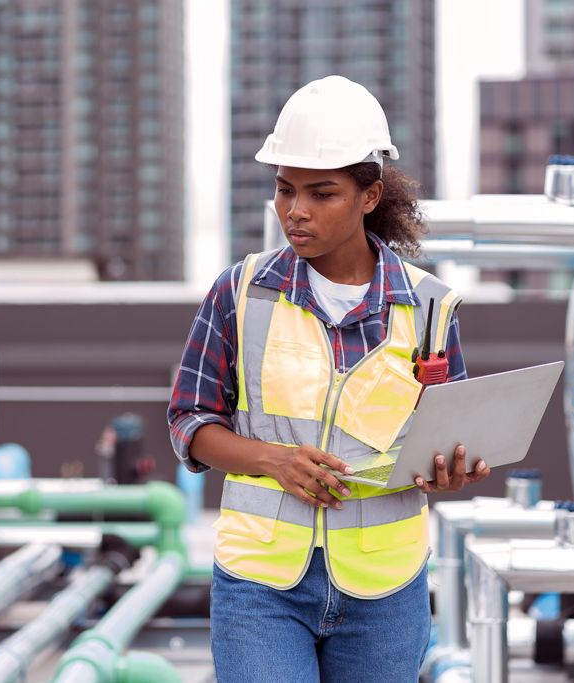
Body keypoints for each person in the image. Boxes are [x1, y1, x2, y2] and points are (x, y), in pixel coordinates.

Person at [168, 75, 491, 683]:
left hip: (385, 593)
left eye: (321, 193)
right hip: (261, 586)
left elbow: (450, 435)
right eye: (285, 190)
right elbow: (189, 421)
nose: (296, 209)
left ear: (369, 196)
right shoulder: (239, 293)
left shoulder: (428, 308)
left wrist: (455, 470)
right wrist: (273, 460)